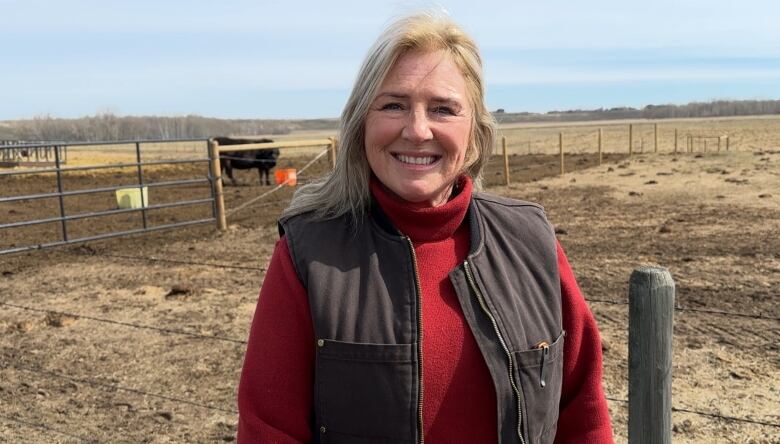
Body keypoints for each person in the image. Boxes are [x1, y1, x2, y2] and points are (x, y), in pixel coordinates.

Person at [237, 11, 613, 444]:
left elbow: (583, 413)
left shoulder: (531, 240)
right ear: (362, 122)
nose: (417, 130)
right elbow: (269, 430)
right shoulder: (309, 255)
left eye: (443, 109)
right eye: (394, 105)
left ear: (474, 133)